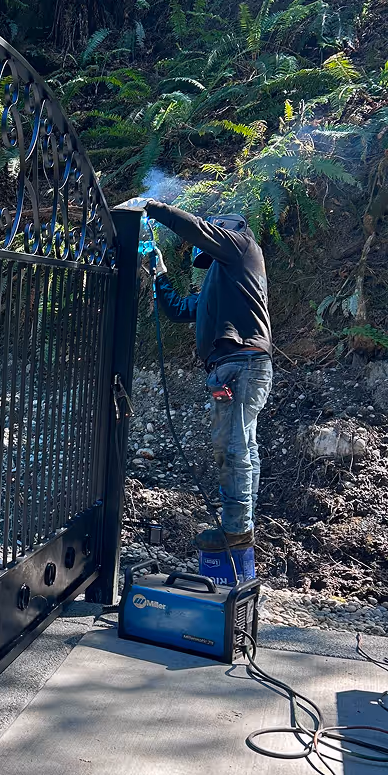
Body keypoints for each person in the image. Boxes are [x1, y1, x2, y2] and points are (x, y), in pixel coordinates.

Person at [139, 200, 273, 551]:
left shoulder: (244, 247)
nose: (208, 259)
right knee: (242, 447)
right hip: (232, 368)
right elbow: (180, 309)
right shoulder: (223, 281)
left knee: (234, 448)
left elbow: (198, 229)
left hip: (242, 363)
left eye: (210, 250)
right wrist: (160, 274)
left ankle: (236, 530)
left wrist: (153, 207)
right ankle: (240, 525)